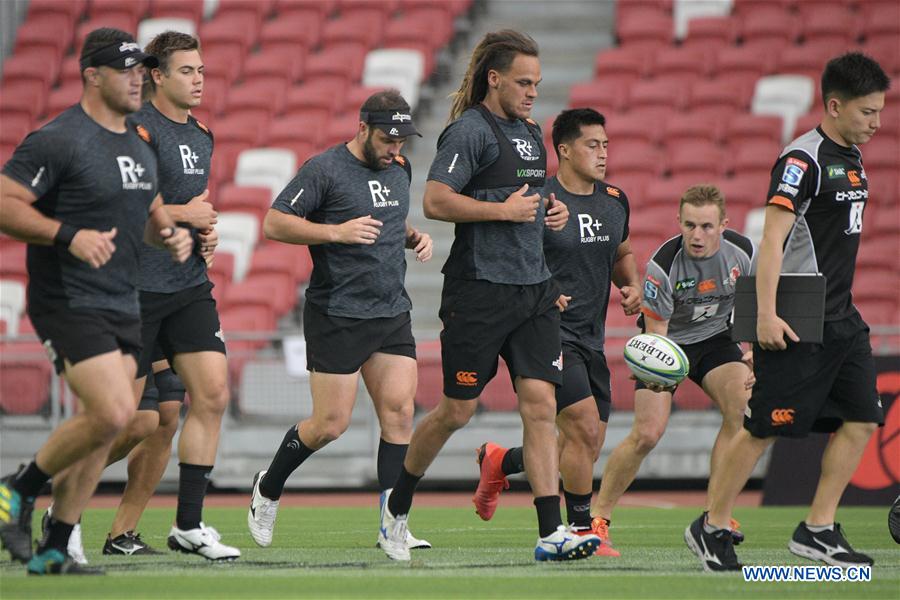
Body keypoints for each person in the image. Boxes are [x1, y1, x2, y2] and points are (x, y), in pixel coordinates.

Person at [377, 30, 601, 563]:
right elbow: (433, 201)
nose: (532, 93)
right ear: (494, 79)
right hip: (479, 293)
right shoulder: (468, 132)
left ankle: (551, 533)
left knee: (542, 407)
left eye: (538, 84)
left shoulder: (529, 131)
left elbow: (530, 196)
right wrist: (502, 212)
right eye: (523, 83)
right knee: (457, 411)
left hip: (535, 292)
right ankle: (396, 508)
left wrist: (554, 211)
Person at [685, 51, 890, 572]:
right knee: (762, 426)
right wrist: (766, 315)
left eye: (880, 112)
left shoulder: (854, 157)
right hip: (796, 313)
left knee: (864, 419)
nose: (877, 122)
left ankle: (817, 529)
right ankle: (711, 527)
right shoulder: (803, 160)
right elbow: (772, 239)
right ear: (836, 105)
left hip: (841, 316)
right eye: (868, 112)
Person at [0, 27, 193, 575]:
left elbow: (148, 213)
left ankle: (56, 547)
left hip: (121, 301)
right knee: (114, 411)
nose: (139, 78)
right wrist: (68, 235)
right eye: (127, 69)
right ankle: (16, 488)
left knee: (110, 424)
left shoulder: (137, 140)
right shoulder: (58, 138)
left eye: (143, 69)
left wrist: (170, 233)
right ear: (92, 75)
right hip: (67, 297)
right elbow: (5, 204)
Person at [47, 29, 236, 562]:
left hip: (187, 286)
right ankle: (66, 513)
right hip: (132, 291)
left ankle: (184, 527)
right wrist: (184, 216)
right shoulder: (132, 130)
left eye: (201, 70)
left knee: (209, 396)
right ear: (155, 75)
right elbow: (120, 207)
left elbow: (188, 204)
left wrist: (205, 231)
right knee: (128, 419)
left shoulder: (203, 135)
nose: (198, 79)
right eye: (185, 71)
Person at [247, 90, 434, 551]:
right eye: (389, 139)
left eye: (403, 141)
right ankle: (268, 487)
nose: (396, 150)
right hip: (337, 312)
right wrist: (336, 231)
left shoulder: (400, 170)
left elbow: (389, 223)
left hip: (391, 309)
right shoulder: (324, 169)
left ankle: (394, 526)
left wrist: (413, 237)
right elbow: (274, 223)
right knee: (330, 424)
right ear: (362, 128)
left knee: (400, 414)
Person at [471, 108, 640, 560]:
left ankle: (500, 463)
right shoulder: (540, 200)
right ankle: (584, 529)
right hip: (546, 330)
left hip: (593, 336)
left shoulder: (615, 198)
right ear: (563, 150)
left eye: (605, 145)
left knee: (580, 443)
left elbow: (623, 251)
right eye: (592, 145)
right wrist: (544, 292)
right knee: (583, 429)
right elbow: (513, 258)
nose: (603, 154)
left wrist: (632, 285)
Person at [588, 184, 757, 556]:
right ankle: (596, 520)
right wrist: (660, 375)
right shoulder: (663, 266)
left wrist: (754, 354)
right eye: (690, 225)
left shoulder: (744, 253)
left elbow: (755, 310)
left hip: (715, 339)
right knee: (647, 433)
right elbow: (657, 336)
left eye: (707, 227)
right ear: (679, 222)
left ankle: (717, 517)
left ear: (724, 224)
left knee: (744, 411)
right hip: (668, 344)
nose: (697, 236)